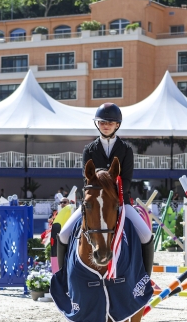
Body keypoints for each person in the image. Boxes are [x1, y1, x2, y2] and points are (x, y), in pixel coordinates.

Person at [57, 103, 154, 275]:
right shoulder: (89, 149)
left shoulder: (126, 150)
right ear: (97, 124)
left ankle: (146, 279)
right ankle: (63, 277)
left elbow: (126, 179)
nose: (106, 125)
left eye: (110, 122)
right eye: (102, 122)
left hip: (120, 203)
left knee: (146, 235)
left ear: (117, 125)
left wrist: (113, 197)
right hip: (93, 204)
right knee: (64, 234)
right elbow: (86, 178)